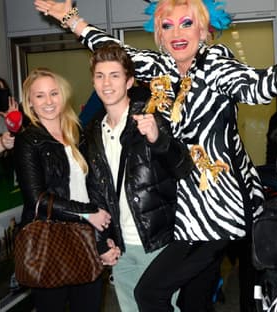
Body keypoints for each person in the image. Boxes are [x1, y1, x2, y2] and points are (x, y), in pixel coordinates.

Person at [34, 1, 277, 310]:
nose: (177, 33)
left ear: (203, 30)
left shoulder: (216, 65)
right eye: (168, 26)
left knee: (150, 292)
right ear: (160, 35)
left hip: (214, 210)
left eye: (186, 23)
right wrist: (71, 19)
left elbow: (260, 84)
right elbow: (115, 54)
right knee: (195, 302)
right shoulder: (160, 68)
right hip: (181, 210)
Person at [85, 42, 193, 312]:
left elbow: (184, 167)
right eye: (100, 76)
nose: (106, 83)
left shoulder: (152, 116)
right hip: (120, 246)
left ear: (129, 81)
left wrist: (158, 139)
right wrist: (104, 239)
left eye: (114, 75)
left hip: (156, 241)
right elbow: (97, 192)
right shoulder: (92, 131)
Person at [13, 68, 118, 312]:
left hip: (86, 236)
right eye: (40, 96)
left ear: (63, 95)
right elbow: (37, 200)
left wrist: (104, 239)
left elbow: (94, 190)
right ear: (29, 101)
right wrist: (87, 212)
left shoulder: (78, 134)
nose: (48, 101)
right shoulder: (28, 140)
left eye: (54, 93)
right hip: (49, 242)